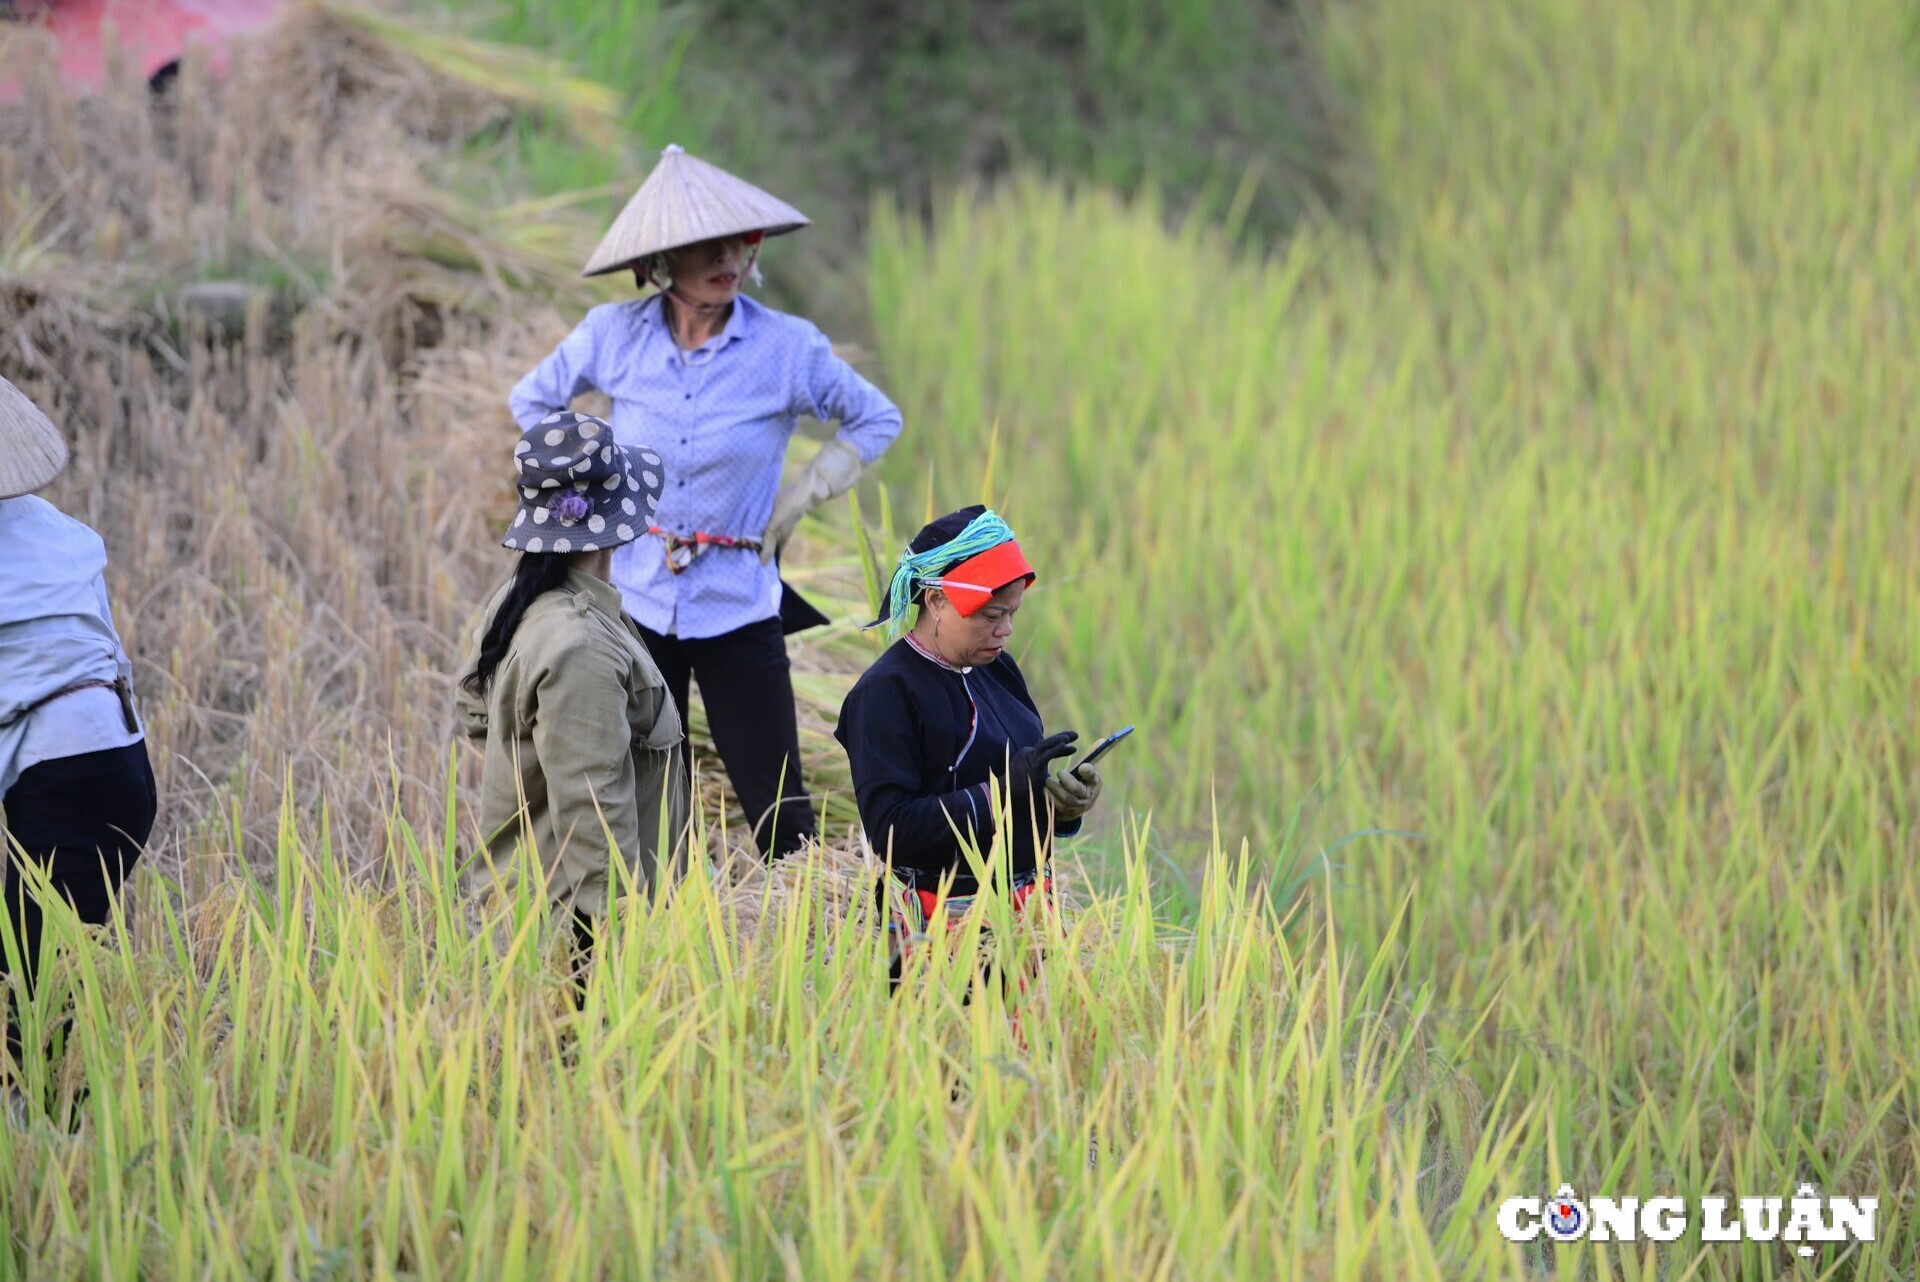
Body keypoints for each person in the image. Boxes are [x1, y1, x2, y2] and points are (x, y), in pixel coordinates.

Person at [509, 144, 904, 861]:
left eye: (739, 242)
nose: (728, 256)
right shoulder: (614, 335)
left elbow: (878, 418)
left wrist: (804, 492)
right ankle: (653, 934)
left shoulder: (788, 350)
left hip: (738, 603)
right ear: (661, 261)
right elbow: (531, 398)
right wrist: (589, 487)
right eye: (704, 246)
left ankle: (805, 929)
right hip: (636, 599)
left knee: (781, 813)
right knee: (642, 796)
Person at [455, 411, 688, 995]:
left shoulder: (527, 601)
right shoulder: (580, 646)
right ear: (615, 519)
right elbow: (594, 817)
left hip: (541, 918)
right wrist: (609, 967)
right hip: (572, 943)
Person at [833, 505, 1103, 987]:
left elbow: (1013, 800)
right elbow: (891, 830)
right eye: (990, 615)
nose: (1005, 630)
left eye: (1012, 614)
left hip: (1025, 919)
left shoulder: (996, 668)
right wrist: (1001, 790)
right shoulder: (886, 695)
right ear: (936, 600)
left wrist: (1061, 808)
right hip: (942, 934)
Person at [0, 375, 157, 1120]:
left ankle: (58, 1151)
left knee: (29, 987)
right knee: (50, 963)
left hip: (59, 779)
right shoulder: (58, 532)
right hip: (120, 764)